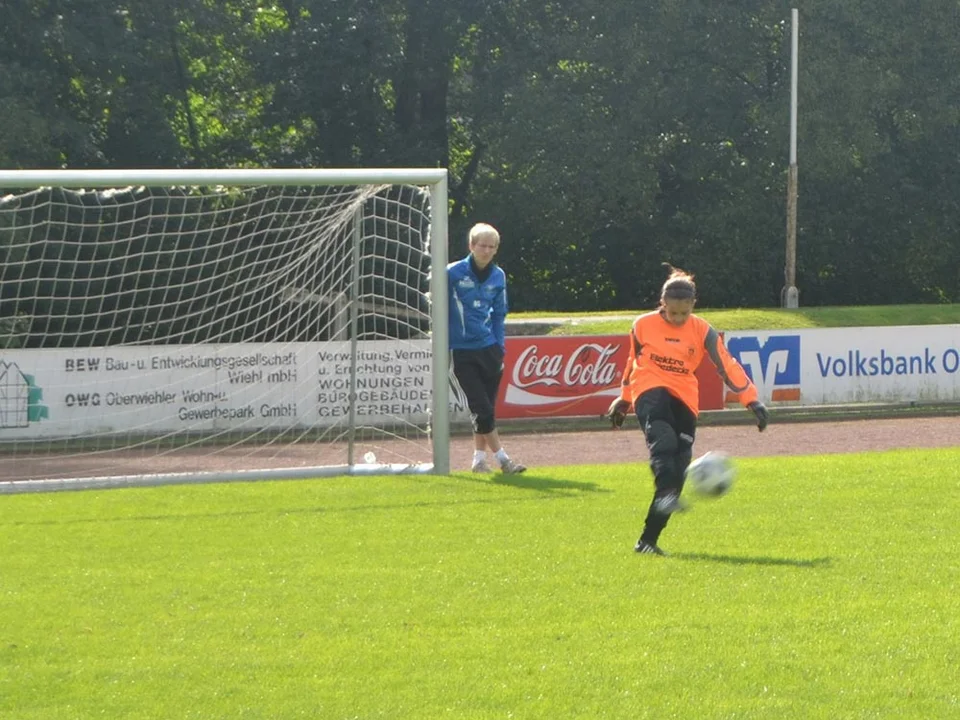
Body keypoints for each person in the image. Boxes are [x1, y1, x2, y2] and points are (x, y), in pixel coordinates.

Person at [606, 264, 769, 556]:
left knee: (679, 466)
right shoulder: (642, 324)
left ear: (693, 305)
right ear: (662, 304)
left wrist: (751, 400)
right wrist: (625, 397)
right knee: (664, 443)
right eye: (672, 313)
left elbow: (726, 364)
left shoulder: (703, 330)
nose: (679, 318)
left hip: (685, 395)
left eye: (684, 313)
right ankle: (666, 496)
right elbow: (633, 362)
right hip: (649, 388)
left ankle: (647, 541)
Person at [448, 222, 526, 474]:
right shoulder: (452, 273)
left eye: (492, 247)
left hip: (489, 349)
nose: (487, 250)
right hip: (461, 349)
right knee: (480, 408)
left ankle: (478, 461)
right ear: (471, 245)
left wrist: (499, 347)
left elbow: (499, 314)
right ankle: (504, 461)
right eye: (482, 245)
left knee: (486, 411)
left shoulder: (498, 275)